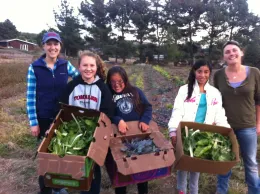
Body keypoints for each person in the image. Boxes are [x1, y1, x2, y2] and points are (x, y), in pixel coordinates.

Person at [26, 32, 78, 194]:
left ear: (60, 46)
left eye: (56, 44)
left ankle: (59, 186)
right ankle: (45, 189)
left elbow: (80, 78)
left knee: (61, 153)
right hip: (43, 118)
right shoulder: (35, 68)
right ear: (44, 46)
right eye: (49, 44)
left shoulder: (65, 65)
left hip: (62, 118)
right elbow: (30, 97)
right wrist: (34, 123)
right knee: (45, 157)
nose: (52, 47)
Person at [168, 60, 230, 194]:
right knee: (182, 167)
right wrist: (173, 131)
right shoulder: (184, 90)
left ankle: (193, 192)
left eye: (206, 72)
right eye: (199, 71)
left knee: (196, 169)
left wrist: (226, 132)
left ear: (209, 73)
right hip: (185, 134)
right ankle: (181, 190)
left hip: (203, 136)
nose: (202, 75)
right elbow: (177, 111)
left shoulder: (214, 93)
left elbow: (219, 115)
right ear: (194, 72)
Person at [61, 50, 113, 194]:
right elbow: (61, 109)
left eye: (91, 65)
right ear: (79, 67)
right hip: (75, 134)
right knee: (77, 165)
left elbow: (107, 113)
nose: (88, 69)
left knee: (93, 168)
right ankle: (78, 187)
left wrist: (97, 130)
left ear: (96, 67)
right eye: (85, 65)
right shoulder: (71, 87)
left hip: (94, 134)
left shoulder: (102, 88)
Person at [214, 40, 260, 194]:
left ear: (241, 52)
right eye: (227, 52)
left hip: (248, 126)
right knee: (224, 163)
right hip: (225, 127)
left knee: (251, 164)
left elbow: (259, 100)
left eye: (234, 50)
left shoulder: (254, 72)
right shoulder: (219, 75)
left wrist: (258, 123)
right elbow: (215, 100)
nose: (231, 53)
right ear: (224, 57)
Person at [106, 66, 152, 194]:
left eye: (119, 81)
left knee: (141, 169)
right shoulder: (108, 95)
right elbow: (105, 114)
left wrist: (144, 120)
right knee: (121, 170)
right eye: (113, 82)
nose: (116, 85)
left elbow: (147, 107)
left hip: (137, 136)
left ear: (125, 80)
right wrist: (118, 120)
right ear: (109, 82)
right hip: (119, 138)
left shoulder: (135, 92)